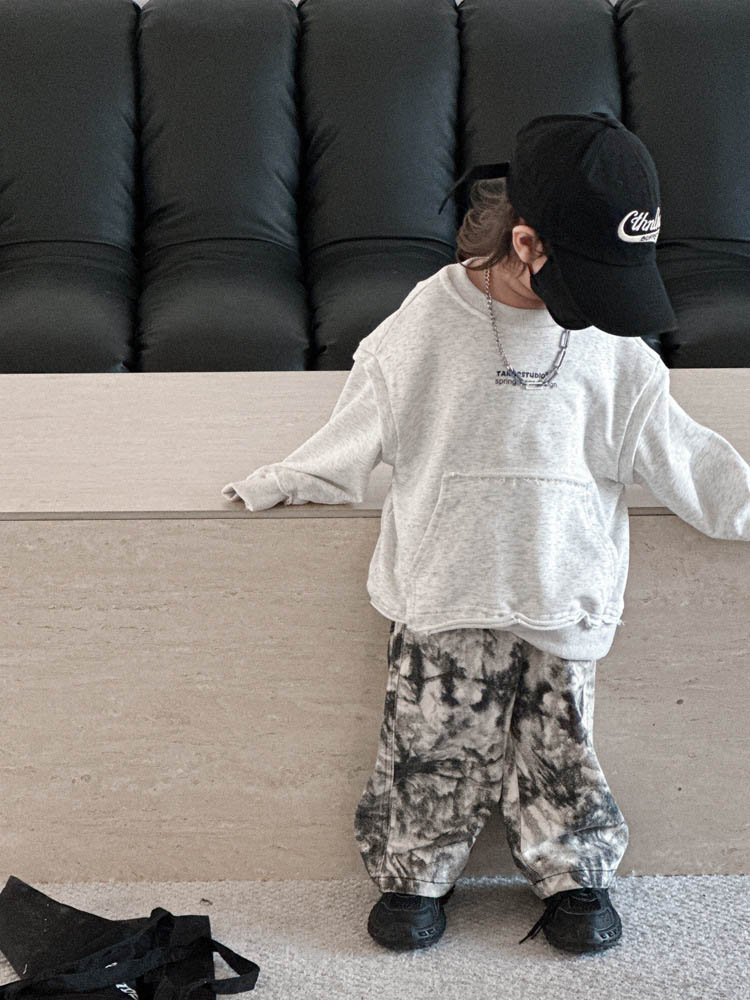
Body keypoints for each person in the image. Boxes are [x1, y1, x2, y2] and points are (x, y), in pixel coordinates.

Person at [221, 112, 750, 955]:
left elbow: (682, 453)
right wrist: (287, 478)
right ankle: (415, 872)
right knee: (428, 743)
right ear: (526, 243)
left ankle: (574, 872)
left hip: (561, 584)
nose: (603, 307)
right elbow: (360, 422)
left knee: (561, 747)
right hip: (445, 584)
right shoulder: (427, 323)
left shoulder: (616, 353)